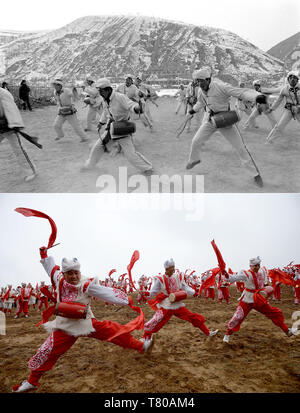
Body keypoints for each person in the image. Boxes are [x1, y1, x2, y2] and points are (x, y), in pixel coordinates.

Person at [12, 247, 155, 393]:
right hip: (65, 327)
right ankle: (31, 382)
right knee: (47, 351)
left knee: (114, 331)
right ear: (63, 274)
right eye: (69, 273)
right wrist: (44, 254)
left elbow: (105, 293)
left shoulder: (86, 284)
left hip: (86, 323)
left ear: (79, 272)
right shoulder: (58, 279)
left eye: (76, 273)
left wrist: (127, 300)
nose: (73, 276)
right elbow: (50, 268)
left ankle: (141, 346)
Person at [186, 68, 264, 188]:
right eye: (197, 81)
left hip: (225, 120)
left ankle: (256, 174)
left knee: (240, 148)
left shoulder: (221, 86)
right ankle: (194, 159)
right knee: (196, 141)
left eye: (201, 81)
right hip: (210, 120)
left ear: (208, 79)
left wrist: (256, 97)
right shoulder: (201, 91)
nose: (199, 84)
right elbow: (201, 103)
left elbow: (241, 92)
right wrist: (192, 110)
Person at [81, 78, 153, 175]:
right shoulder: (105, 99)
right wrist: (101, 122)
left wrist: (137, 108)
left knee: (130, 154)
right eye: (99, 91)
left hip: (122, 128)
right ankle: (89, 165)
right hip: (111, 127)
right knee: (98, 147)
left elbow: (131, 105)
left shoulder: (120, 97)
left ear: (107, 89)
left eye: (101, 91)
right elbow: (106, 112)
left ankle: (147, 168)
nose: (100, 93)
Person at [222, 256, 298, 344]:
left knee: (273, 312)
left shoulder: (262, 271)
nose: (257, 267)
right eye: (255, 266)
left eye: (258, 265)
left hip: (259, 298)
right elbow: (232, 278)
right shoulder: (245, 274)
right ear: (250, 266)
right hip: (247, 299)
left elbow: (265, 284)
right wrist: (225, 274)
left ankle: (287, 331)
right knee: (238, 316)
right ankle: (227, 335)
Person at [143, 259, 219, 341]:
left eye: (174, 267)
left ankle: (208, 333)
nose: (173, 269)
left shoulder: (178, 277)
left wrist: (194, 293)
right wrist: (146, 293)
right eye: (171, 268)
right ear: (166, 269)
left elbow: (185, 286)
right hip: (167, 306)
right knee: (155, 321)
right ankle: (145, 339)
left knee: (192, 317)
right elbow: (153, 291)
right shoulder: (160, 279)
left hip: (177, 304)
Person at [0, 87, 37, 181]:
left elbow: (11, 109)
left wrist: (14, 124)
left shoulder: (3, 93)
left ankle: (30, 171)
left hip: (7, 125)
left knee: (18, 149)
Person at [265, 71, 300, 144]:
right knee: (279, 126)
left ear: (297, 79)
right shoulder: (284, 89)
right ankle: (269, 141)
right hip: (289, 110)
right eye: (290, 78)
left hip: (299, 110)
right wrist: (271, 109)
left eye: (294, 78)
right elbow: (278, 100)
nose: (292, 79)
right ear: (288, 79)